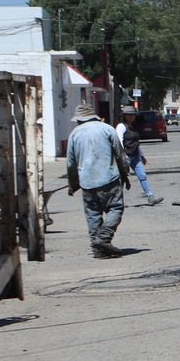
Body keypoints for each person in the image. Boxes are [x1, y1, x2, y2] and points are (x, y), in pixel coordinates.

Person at [65, 102, 133, 257]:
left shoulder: (74, 134)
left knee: (93, 215)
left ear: (80, 119)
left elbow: (71, 163)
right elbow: (120, 155)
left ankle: (97, 249)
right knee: (115, 208)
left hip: (87, 182)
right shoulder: (107, 129)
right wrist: (125, 175)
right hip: (109, 179)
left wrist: (73, 185)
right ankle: (103, 238)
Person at [115, 114, 164, 206]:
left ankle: (151, 197)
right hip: (126, 156)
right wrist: (123, 155)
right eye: (129, 115)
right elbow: (119, 141)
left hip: (135, 156)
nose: (131, 117)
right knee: (121, 179)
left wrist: (142, 155)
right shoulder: (121, 126)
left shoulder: (133, 126)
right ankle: (117, 201)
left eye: (132, 115)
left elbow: (136, 143)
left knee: (142, 176)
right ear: (124, 116)